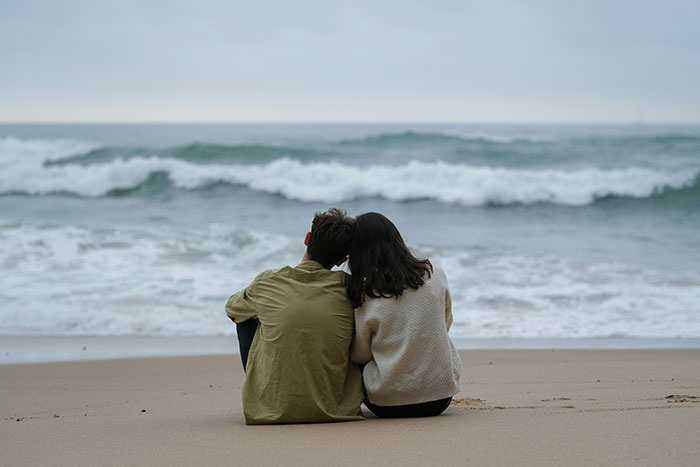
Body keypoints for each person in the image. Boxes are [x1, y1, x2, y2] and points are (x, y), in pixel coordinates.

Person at [225, 208, 364, 425]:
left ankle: (270, 393)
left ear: (307, 239)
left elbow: (232, 309)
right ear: (340, 260)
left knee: (246, 318)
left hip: (269, 411)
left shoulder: (269, 281)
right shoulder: (350, 288)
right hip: (337, 409)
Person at [347, 212, 461, 418]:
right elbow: (445, 324)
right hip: (440, 397)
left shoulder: (365, 292)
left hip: (387, 403)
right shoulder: (435, 274)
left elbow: (360, 354)